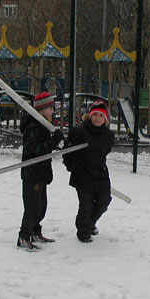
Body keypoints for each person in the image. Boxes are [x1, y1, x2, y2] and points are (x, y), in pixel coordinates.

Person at [17, 92, 64, 252]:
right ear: (42, 109)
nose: (52, 111)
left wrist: (56, 141)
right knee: (33, 207)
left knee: (42, 206)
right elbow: (39, 149)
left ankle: (36, 232)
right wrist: (53, 141)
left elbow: (46, 146)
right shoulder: (33, 126)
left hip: (41, 173)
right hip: (32, 174)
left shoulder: (43, 124)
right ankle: (24, 236)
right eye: (50, 108)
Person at [63, 101, 115, 243]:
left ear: (106, 119)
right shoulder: (79, 132)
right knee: (86, 205)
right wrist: (72, 166)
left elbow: (105, 151)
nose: (97, 118)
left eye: (100, 115)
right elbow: (67, 151)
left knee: (104, 201)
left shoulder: (109, 135)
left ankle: (90, 223)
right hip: (82, 174)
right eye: (94, 115)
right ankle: (83, 232)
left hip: (100, 174)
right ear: (89, 116)